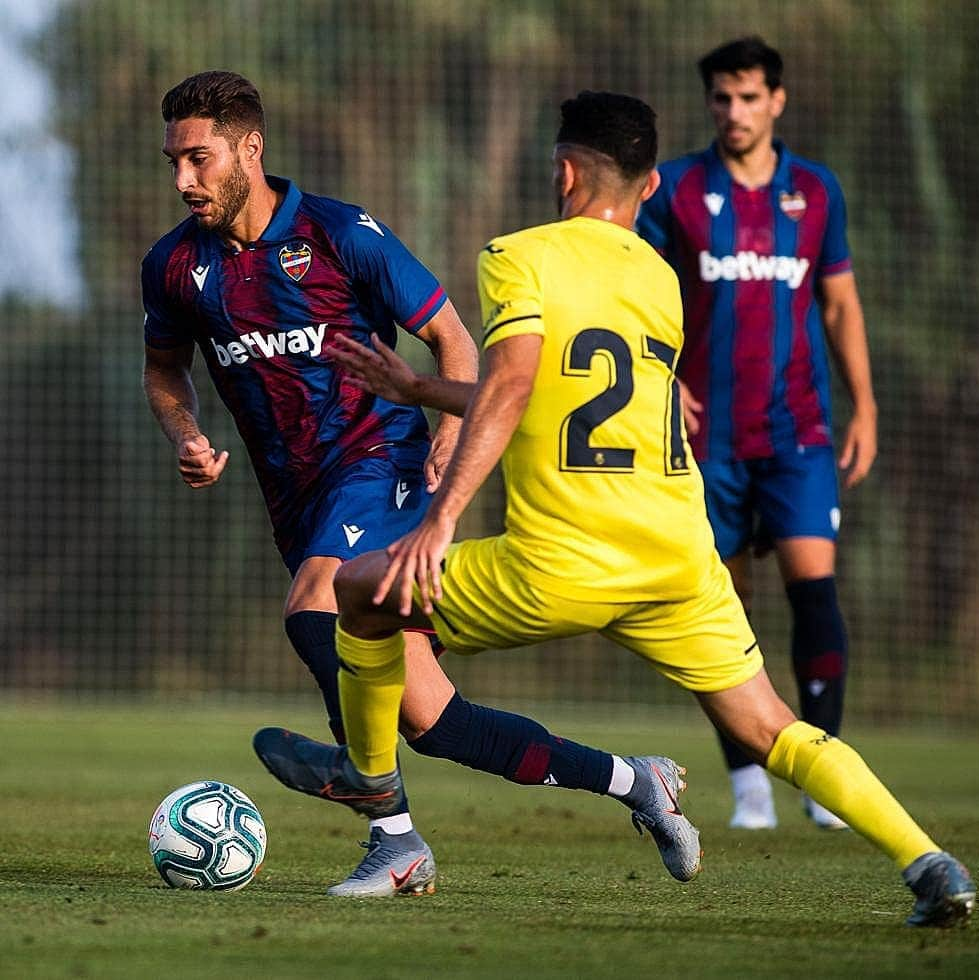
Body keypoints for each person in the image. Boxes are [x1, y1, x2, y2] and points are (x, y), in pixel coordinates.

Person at [258, 89, 974, 928]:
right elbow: (564, 393)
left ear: (563, 170)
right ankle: (928, 861)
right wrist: (422, 387)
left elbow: (518, 382)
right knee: (773, 725)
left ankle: (380, 807)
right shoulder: (661, 278)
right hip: (679, 559)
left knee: (359, 589)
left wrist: (443, 515)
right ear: (652, 186)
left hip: (562, 560)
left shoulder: (519, 256)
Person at [143, 71, 700, 899]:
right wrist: (187, 432)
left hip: (381, 466)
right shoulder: (175, 265)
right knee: (434, 723)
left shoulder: (339, 234)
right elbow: (164, 368)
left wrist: (445, 435)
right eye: (174, 162)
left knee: (314, 605)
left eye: (199, 158)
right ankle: (637, 783)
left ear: (249, 149)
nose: (184, 180)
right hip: (297, 502)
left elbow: (451, 338)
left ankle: (391, 834)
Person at [635, 37, 878, 831]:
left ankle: (823, 776)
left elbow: (838, 305)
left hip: (798, 431)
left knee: (815, 594)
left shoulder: (816, 190)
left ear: (776, 100)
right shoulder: (676, 189)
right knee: (722, 610)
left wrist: (866, 406)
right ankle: (748, 787)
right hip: (708, 441)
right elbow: (635, 293)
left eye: (748, 97)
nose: (734, 112)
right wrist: (663, 382)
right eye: (721, 99)